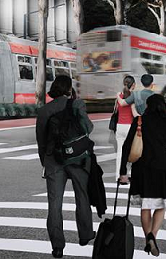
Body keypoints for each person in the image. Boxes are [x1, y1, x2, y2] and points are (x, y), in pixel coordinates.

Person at [36, 76, 94, 258]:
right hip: (77, 158)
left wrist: (45, 161)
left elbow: (41, 140)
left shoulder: (45, 110)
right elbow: (88, 128)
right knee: (82, 197)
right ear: (69, 89)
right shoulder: (77, 104)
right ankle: (85, 235)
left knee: (54, 204)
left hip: (54, 159)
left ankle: (58, 246)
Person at [122, 94, 166, 257]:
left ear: (148, 106)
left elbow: (127, 147)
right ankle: (153, 235)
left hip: (141, 169)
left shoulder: (140, 121)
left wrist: (122, 172)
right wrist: (165, 160)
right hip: (160, 169)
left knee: (145, 205)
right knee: (160, 205)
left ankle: (148, 237)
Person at [111, 75, 137, 182]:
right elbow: (134, 112)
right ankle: (128, 175)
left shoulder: (119, 97)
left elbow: (115, 111)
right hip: (129, 127)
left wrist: (118, 97)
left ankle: (118, 175)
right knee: (131, 152)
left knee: (120, 152)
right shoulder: (133, 97)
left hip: (119, 127)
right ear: (133, 85)